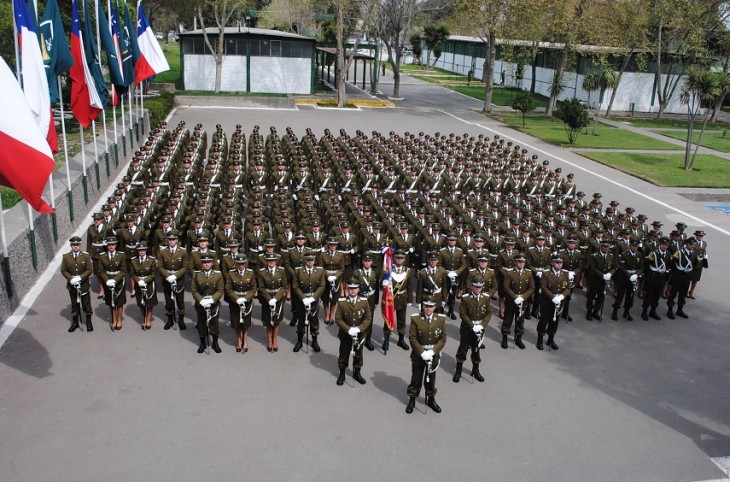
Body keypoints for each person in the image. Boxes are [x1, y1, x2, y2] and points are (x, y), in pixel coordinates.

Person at [406, 296, 447, 414]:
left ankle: (431, 399)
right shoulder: (416, 319)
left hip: (433, 354)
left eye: (431, 306)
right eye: (426, 306)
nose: (428, 309)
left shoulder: (440, 320)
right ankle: (412, 399)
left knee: (431, 379)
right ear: (422, 306)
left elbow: (442, 338)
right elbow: (412, 338)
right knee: (416, 378)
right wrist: (422, 352)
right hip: (419, 355)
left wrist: (433, 351)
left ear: (435, 307)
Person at [453, 276, 492, 383]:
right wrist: (472, 326)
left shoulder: (485, 298)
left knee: (476, 350)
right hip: (467, 329)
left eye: (480, 287)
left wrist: (482, 325)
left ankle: (475, 370)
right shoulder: (466, 298)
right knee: (463, 350)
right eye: (476, 287)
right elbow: (463, 313)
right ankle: (458, 370)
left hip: (479, 329)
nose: (478, 289)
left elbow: (488, 313)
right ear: (472, 286)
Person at [335, 280, 372, 386]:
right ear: (347, 289)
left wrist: (360, 328)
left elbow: (368, 318)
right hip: (346, 334)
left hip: (359, 334)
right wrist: (348, 329)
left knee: (358, 354)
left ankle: (357, 373)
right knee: (344, 353)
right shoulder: (342, 302)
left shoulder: (364, 302)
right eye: (350, 288)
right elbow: (338, 319)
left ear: (358, 289)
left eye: (355, 288)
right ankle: (342, 373)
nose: (352, 291)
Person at [292, 251, 326, 353]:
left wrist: (313, 297)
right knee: (301, 320)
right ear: (304, 260)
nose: (310, 262)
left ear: (314, 260)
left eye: (312, 260)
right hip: (302, 300)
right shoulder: (298, 271)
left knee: (314, 320)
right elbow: (295, 286)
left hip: (313, 300)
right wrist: (303, 298)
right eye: (308, 260)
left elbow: (322, 286)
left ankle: (314, 341)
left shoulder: (320, 271)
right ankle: (299, 341)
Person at [500, 254, 534, 350]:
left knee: (520, 321)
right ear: (515, 262)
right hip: (511, 301)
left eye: (523, 262)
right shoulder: (509, 273)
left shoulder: (528, 273)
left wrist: (523, 297)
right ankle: (505, 338)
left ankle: (518, 338)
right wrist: (515, 297)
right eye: (519, 262)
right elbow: (506, 287)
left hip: (522, 301)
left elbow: (531, 288)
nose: (521, 264)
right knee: (507, 320)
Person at [191, 254, 224, 354]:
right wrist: (201, 301)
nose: (206, 264)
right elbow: (194, 290)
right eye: (204, 262)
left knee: (214, 323)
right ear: (201, 264)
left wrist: (212, 300)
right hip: (201, 303)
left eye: (208, 262)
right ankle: (202, 343)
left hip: (213, 304)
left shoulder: (218, 275)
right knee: (201, 323)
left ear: (212, 263)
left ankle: (215, 343)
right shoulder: (196, 274)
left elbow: (220, 290)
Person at [61, 236, 94, 332]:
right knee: (74, 304)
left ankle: (88, 322)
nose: (75, 247)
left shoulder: (85, 256)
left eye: (77, 245)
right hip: (72, 285)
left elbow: (89, 270)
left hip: (83, 285)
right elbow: (63, 270)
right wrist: (71, 279)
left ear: (80, 245)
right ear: (71, 246)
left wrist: (80, 277)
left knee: (86, 304)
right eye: (74, 245)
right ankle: (75, 322)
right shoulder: (66, 257)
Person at [537, 256, 571, 351]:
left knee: (555, 321)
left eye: (561, 262)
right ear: (552, 263)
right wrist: (553, 297)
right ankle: (540, 338)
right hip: (547, 301)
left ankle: (550, 339)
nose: (559, 264)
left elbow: (568, 288)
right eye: (557, 262)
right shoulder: (546, 273)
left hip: (559, 301)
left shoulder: (565, 273)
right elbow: (544, 287)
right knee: (544, 320)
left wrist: (561, 297)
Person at [225, 254, 257, 353]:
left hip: (246, 301)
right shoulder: (231, 273)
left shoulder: (250, 273)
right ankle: (239, 340)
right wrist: (237, 299)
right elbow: (228, 288)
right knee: (237, 323)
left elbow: (253, 288)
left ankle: (245, 340)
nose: (241, 266)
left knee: (246, 323)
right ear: (236, 264)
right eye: (239, 264)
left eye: (243, 263)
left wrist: (246, 298)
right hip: (235, 302)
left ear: (245, 264)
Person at [158, 230, 189, 330]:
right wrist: (168, 276)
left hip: (179, 280)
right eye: (169, 239)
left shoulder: (183, 252)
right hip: (167, 279)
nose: (171, 241)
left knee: (180, 300)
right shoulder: (163, 251)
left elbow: (185, 267)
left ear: (177, 240)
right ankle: (170, 319)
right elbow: (160, 266)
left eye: (173, 239)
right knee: (168, 300)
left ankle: (181, 319)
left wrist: (175, 276)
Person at [383, 249, 411, 353]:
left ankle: (401, 339)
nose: (399, 260)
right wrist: (384, 283)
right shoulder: (389, 270)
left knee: (401, 319)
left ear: (404, 260)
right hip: (391, 298)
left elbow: (409, 286)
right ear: (394, 258)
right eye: (398, 258)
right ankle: (386, 338)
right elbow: (384, 282)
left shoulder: (408, 271)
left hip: (402, 297)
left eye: (401, 258)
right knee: (388, 317)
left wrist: (409, 300)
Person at [258, 252, 287, 352]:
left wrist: (276, 298)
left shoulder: (281, 271)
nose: (271, 262)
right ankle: (269, 339)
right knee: (268, 321)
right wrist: (269, 299)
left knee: (277, 320)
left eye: (273, 260)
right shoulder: (262, 272)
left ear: (276, 261)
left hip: (278, 300)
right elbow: (261, 287)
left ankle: (275, 340)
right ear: (266, 262)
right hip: (267, 300)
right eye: (269, 261)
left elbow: (284, 286)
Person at [666, 237, 700, 319]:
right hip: (678, 276)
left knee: (683, 294)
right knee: (673, 294)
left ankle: (680, 310)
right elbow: (672, 263)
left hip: (687, 276)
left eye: (693, 245)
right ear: (686, 244)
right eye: (691, 244)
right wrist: (677, 271)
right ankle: (670, 310)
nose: (692, 246)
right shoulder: (679, 252)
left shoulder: (694, 253)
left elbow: (695, 264)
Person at [99, 236, 127, 330]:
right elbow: (101, 271)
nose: (111, 247)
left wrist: (115, 280)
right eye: (109, 245)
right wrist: (107, 280)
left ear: (116, 245)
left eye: (113, 245)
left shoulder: (121, 255)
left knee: (119, 302)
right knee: (111, 303)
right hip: (107, 282)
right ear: (107, 246)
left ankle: (119, 319)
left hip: (118, 281)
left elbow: (123, 271)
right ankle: (113, 319)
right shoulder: (102, 256)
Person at [612, 240, 643, 321]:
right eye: (633, 246)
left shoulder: (639, 255)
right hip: (624, 278)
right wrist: (629, 276)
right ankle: (615, 311)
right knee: (620, 295)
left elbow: (641, 267)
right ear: (630, 246)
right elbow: (622, 267)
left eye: (636, 246)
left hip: (633, 278)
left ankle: (627, 311)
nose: (635, 248)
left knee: (630, 296)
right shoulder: (624, 254)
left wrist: (636, 274)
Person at [131, 242, 158, 330]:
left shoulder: (151, 260)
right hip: (139, 284)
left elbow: (154, 274)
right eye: (139, 250)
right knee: (141, 303)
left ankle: (148, 319)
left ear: (146, 250)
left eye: (143, 250)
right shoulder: (134, 260)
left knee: (149, 304)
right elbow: (132, 273)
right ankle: (143, 318)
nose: (141, 252)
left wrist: (145, 281)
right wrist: (138, 281)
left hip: (149, 284)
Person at [642, 237, 671, 321]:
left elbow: (668, 264)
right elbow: (647, 264)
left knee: (656, 296)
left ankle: (653, 311)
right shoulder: (654, 253)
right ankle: (644, 311)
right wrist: (648, 275)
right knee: (649, 296)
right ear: (660, 244)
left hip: (661, 278)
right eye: (663, 244)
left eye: (666, 245)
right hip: (652, 277)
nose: (665, 246)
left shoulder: (668, 254)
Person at [585, 240, 615, 321]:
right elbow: (593, 268)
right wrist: (603, 275)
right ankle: (589, 311)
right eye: (605, 247)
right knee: (591, 296)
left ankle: (596, 311)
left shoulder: (610, 256)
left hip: (604, 281)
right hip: (595, 279)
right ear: (601, 247)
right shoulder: (594, 256)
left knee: (601, 297)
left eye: (607, 247)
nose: (606, 248)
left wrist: (610, 274)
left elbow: (614, 267)